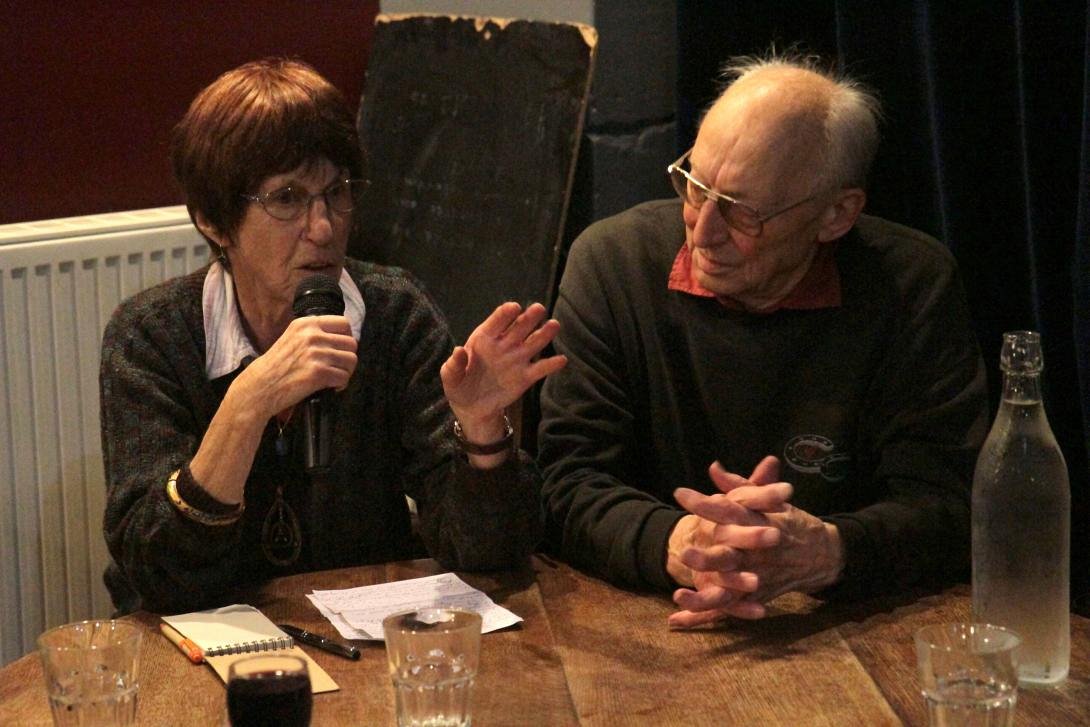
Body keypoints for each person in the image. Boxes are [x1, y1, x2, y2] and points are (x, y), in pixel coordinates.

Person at [537, 52, 988, 627]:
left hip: (856, 627)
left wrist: (825, 550)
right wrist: (686, 545)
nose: (702, 231)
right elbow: (566, 480)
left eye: (741, 212)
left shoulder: (912, 284)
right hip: (644, 617)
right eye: (694, 185)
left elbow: (948, 505)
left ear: (837, 215)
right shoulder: (611, 263)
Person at [100, 58, 566, 614]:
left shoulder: (394, 314)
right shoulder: (150, 337)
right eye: (288, 199)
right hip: (206, 646)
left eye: (336, 193)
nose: (322, 228)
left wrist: (484, 433)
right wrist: (248, 405)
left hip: (365, 640)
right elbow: (157, 572)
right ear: (214, 221)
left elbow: (492, 554)